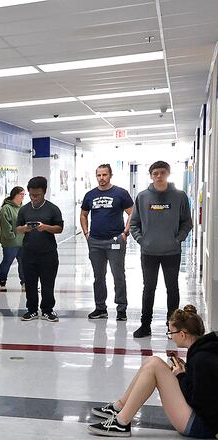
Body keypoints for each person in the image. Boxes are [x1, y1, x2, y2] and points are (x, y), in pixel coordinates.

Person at [87, 305, 218, 438]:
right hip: (201, 420)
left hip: (201, 425)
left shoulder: (201, 359)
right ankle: (119, 407)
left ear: (182, 334)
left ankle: (121, 422)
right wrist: (185, 373)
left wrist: (181, 376)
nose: (170, 337)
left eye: (170, 333)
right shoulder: (203, 351)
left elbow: (200, 401)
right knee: (151, 362)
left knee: (155, 365)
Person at [129, 161, 193, 338]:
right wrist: (143, 241)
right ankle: (145, 325)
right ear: (150, 175)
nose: (159, 176)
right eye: (155, 173)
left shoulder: (180, 196)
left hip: (172, 252)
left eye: (162, 172)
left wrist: (177, 239)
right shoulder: (142, 197)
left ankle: (172, 327)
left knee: (172, 288)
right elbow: (134, 224)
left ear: (168, 174)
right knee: (148, 288)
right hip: (149, 253)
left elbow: (187, 222)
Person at [80, 164, 134, 321]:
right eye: (99, 175)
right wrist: (86, 233)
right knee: (98, 277)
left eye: (104, 175)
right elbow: (83, 214)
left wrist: (125, 232)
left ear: (110, 175)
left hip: (115, 240)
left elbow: (132, 212)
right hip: (95, 241)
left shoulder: (120, 193)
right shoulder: (90, 195)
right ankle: (100, 308)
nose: (101, 178)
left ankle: (121, 308)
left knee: (118, 275)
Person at [16, 176, 64, 322]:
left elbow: (59, 228)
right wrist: (25, 229)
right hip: (29, 253)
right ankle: (31, 310)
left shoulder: (53, 209)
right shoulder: (24, 210)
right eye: (31, 195)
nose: (34, 198)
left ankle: (47, 310)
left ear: (44, 192)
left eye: (37, 195)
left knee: (47, 283)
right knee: (30, 283)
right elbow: (17, 228)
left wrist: (46, 227)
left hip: (48, 254)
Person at [0, 186, 26, 291]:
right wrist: (12, 236)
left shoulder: (23, 208)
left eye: (24, 194)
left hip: (22, 241)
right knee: (7, 261)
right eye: (21, 194)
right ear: (15, 195)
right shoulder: (6, 208)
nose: (23, 196)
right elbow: (5, 225)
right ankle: (1, 281)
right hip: (10, 242)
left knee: (23, 262)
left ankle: (24, 282)